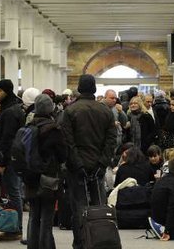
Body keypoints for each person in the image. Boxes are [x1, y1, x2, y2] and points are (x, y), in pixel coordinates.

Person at [62, 74, 117, 249]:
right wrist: (102, 164)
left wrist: (77, 164)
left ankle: (80, 243)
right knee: (99, 206)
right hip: (98, 167)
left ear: (79, 88)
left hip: (77, 168)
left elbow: (68, 142)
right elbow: (111, 141)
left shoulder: (70, 111)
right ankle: (99, 242)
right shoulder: (105, 111)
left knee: (79, 207)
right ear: (94, 89)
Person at [25, 94, 67, 249]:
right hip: (49, 177)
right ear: (50, 108)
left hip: (30, 177)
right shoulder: (53, 129)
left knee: (33, 216)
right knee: (46, 217)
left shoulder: (28, 127)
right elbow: (63, 155)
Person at [0, 79, 25, 241]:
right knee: (15, 192)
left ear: (6, 91)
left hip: (11, 159)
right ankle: (13, 227)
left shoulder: (10, 111)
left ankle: (16, 229)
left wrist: (2, 163)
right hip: (15, 157)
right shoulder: (13, 107)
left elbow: (7, 139)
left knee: (14, 193)